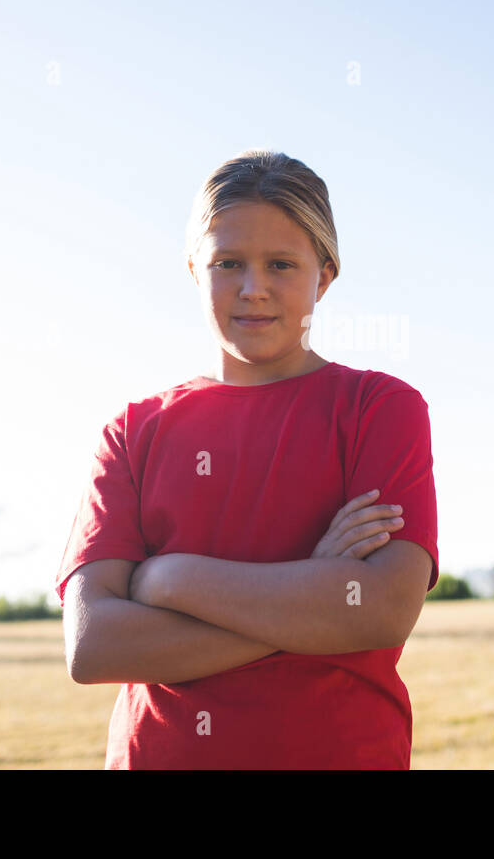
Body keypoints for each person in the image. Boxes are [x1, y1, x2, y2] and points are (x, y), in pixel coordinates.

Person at [55, 149, 440, 768]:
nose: (253, 287)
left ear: (326, 275)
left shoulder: (379, 408)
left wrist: (170, 579)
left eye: (281, 264)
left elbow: (380, 609)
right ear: (192, 270)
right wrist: (309, 595)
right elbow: (94, 646)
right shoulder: (134, 432)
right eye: (228, 262)